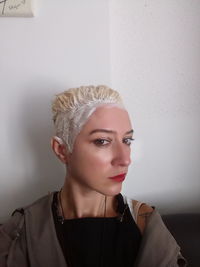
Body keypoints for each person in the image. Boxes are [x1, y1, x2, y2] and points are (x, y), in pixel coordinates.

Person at [0, 85, 187, 267]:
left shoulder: (145, 222)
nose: (125, 160)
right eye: (103, 141)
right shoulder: (24, 228)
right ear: (62, 150)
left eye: (127, 140)